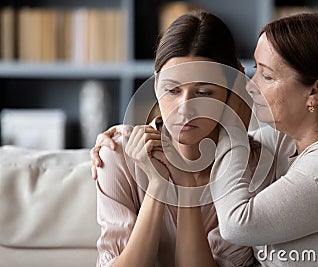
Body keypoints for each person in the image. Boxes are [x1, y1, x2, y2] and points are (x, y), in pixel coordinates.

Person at [93, 13, 318, 266]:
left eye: (266, 76)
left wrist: (227, 122)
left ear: (316, 92)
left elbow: (239, 222)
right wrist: (126, 137)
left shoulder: (277, 161)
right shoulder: (284, 143)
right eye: (172, 89)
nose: (250, 87)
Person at [94, 10, 256, 267]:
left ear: (231, 88)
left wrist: (185, 185)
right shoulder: (117, 153)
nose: (185, 108)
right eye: (172, 90)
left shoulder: (252, 167)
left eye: (203, 92)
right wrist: (158, 186)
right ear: (156, 85)